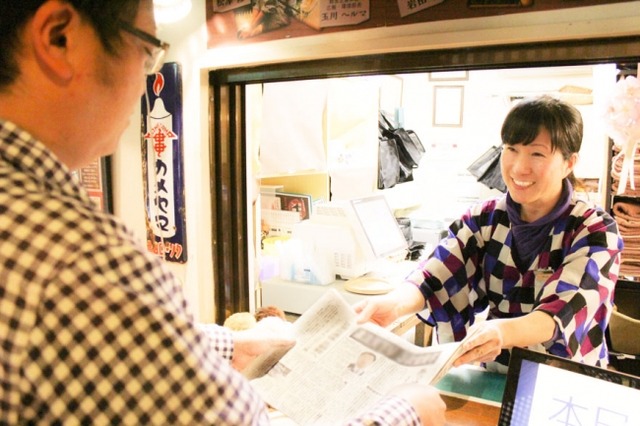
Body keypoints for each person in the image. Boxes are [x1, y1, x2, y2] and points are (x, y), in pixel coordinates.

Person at [0, 1, 445, 425]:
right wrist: (407, 413)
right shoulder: (81, 261)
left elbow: (106, 344)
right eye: (146, 49)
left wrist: (234, 344)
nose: (146, 78)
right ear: (59, 39)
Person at [356, 96, 623, 371]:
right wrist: (394, 304)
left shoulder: (594, 230)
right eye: (512, 149)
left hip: (562, 377)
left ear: (569, 163)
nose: (519, 167)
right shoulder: (485, 219)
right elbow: (435, 275)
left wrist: (501, 332)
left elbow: (567, 307)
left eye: (537, 154)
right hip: (498, 372)